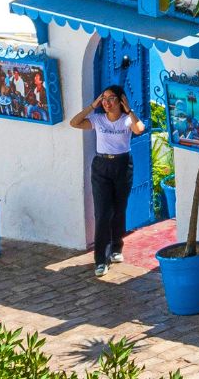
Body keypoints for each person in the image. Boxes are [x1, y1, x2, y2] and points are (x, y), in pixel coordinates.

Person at [69, 83, 144, 276]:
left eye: (111, 98)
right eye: (104, 98)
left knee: (119, 209)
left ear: (121, 101)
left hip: (122, 165)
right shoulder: (98, 119)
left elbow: (139, 129)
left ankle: (116, 247)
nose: (107, 102)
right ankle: (101, 259)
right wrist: (92, 106)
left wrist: (129, 110)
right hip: (101, 166)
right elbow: (74, 123)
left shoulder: (127, 120)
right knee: (102, 213)